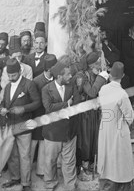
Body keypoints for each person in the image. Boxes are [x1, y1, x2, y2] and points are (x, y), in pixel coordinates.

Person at [0, 58, 41, 191]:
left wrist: (23, 109)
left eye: (14, 75)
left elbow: (37, 103)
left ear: (19, 72)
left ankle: (26, 183)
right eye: (9, 75)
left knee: (24, 155)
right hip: (10, 124)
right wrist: (1, 109)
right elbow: (3, 103)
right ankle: (15, 178)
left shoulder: (29, 84)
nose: (11, 78)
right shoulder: (7, 86)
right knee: (12, 154)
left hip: (24, 125)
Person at [97, 62, 134, 191]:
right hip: (118, 129)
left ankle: (105, 183)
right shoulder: (122, 94)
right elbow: (130, 116)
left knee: (106, 155)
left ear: (110, 75)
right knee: (119, 158)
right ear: (122, 76)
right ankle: (119, 184)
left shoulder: (103, 89)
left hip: (105, 127)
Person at [41, 61, 78, 190]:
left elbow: (77, 103)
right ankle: (50, 184)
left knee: (69, 161)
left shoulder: (71, 86)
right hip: (53, 132)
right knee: (50, 161)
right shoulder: (46, 89)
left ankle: (70, 186)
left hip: (69, 131)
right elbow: (49, 107)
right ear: (59, 76)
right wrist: (66, 104)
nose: (70, 77)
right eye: (68, 75)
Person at [75, 51, 109, 180]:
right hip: (84, 114)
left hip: (94, 112)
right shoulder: (81, 76)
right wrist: (101, 78)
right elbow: (91, 92)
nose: (99, 67)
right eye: (97, 64)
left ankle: (91, 163)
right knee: (86, 139)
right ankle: (82, 166)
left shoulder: (95, 75)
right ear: (90, 65)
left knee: (94, 137)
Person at [31, 54, 57, 177]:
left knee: (43, 144)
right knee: (33, 142)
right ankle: (26, 169)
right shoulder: (36, 81)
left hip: (50, 118)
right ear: (49, 69)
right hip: (38, 116)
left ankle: (40, 170)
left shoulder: (57, 79)